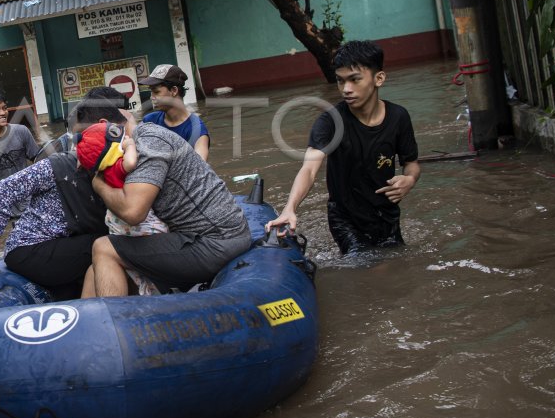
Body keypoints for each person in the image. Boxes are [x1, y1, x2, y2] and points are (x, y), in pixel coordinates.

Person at [74, 87, 251, 298]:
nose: (87, 145)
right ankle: (85, 326)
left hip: (216, 241)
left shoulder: (148, 143)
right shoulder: (132, 144)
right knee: (94, 270)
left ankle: (115, 325)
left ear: (105, 126)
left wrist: (98, 184)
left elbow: (133, 212)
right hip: (198, 237)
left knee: (103, 247)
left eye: (87, 137)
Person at [265, 40, 421, 255]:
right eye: (340, 81)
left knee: (396, 263)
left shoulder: (399, 117)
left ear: (379, 78)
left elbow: (411, 164)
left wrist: (409, 180)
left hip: (386, 214)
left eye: (355, 80)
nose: (346, 89)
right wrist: (289, 209)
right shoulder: (330, 121)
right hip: (345, 218)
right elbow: (309, 169)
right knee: (366, 266)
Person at [0, 144, 108, 302]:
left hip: (58, 245)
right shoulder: (58, 166)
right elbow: (4, 189)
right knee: (105, 246)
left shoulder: (111, 178)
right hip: (29, 248)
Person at [74, 120, 170, 295]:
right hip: (137, 226)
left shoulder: (102, 172)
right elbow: (131, 163)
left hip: (117, 222)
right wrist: (130, 145)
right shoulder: (117, 167)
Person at [138, 64, 210, 160]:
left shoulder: (197, 130)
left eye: (156, 92)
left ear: (174, 91)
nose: (151, 97)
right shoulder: (149, 121)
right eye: (151, 92)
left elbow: (200, 169)